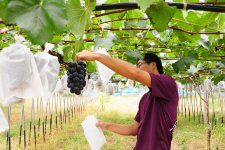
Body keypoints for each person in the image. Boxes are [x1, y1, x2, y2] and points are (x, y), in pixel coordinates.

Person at [76, 50, 179, 150]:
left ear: (153, 65)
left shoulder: (168, 83)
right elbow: (133, 129)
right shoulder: (145, 98)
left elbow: (135, 73)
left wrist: (97, 56)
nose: (138, 68)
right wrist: (106, 125)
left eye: (140, 64)